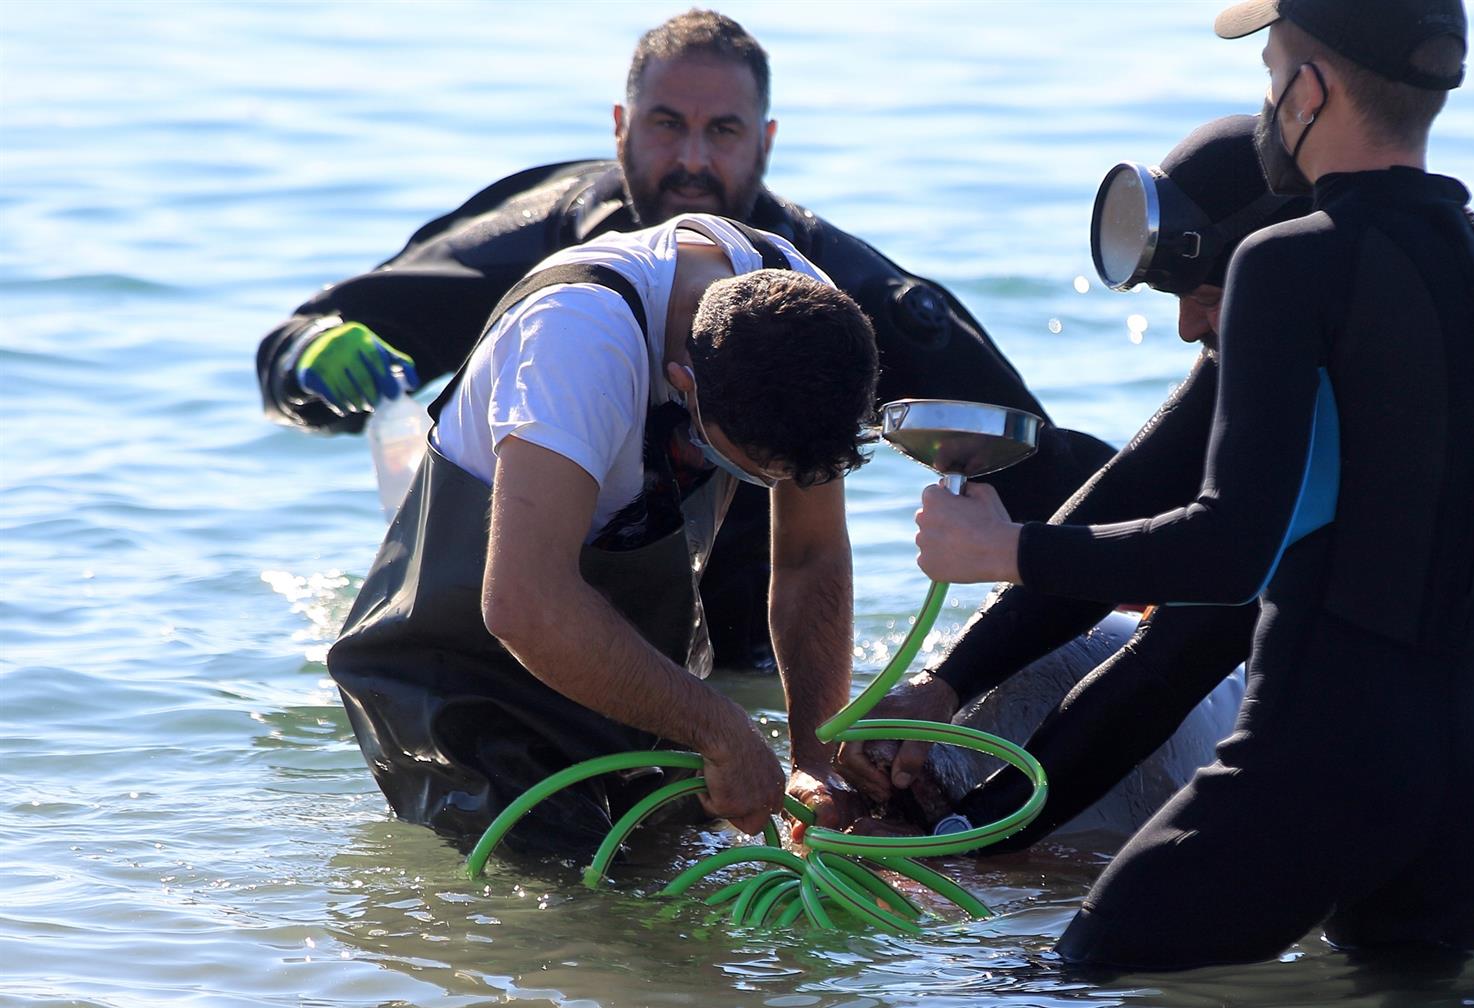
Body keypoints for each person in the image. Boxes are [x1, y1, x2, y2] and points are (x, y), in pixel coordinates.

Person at [908, 0, 1474, 971]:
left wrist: (1001, 550)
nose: (1270, 102)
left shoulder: (1291, 268)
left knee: (1055, 1000)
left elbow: (1227, 564)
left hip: (1318, 765)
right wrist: (1454, 596)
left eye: (1271, 73)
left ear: (1308, 91)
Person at [258, 8, 1113, 669]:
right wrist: (309, 361)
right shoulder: (543, 254)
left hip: (746, 654)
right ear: (621, 128)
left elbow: (1041, 464)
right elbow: (304, 340)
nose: (693, 161)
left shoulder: (826, 289)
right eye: (667, 125)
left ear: (766, 143)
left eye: (725, 132)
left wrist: (1165, 562)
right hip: (524, 622)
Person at [839, 113, 1474, 858]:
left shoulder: (1361, 401)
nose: (1184, 328)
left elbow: (1175, 658)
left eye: (1204, 294)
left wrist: (958, 838)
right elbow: (1115, 505)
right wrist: (945, 685)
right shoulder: (1335, 338)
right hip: (1468, 812)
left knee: (1074, 964)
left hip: (1471, 842)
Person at [328, 212, 878, 850]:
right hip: (463, 678)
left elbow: (810, 558)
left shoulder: (807, 323)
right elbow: (524, 605)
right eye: (736, 465)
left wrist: (817, 762)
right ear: (683, 383)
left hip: (625, 664)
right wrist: (721, 729)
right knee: (562, 904)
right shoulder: (574, 339)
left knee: (672, 890)